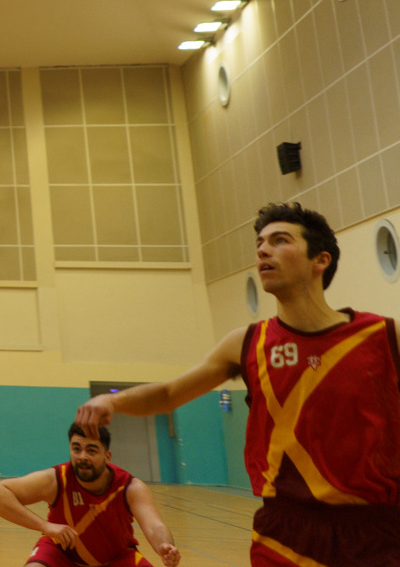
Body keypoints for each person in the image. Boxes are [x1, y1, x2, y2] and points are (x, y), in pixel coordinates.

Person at [75, 202, 400, 567]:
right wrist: (113, 401)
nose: (263, 250)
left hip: (378, 530)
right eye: (260, 243)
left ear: (320, 260)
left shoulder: (383, 336)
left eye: (280, 240)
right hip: (285, 534)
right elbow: (168, 394)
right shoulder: (246, 344)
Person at [0, 423, 179, 567]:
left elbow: (155, 526)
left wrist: (165, 546)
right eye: (77, 449)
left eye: (91, 450)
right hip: (61, 553)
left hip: (116, 559)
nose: (82, 456)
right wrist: (45, 526)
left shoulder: (130, 487)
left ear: (107, 457)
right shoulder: (57, 479)